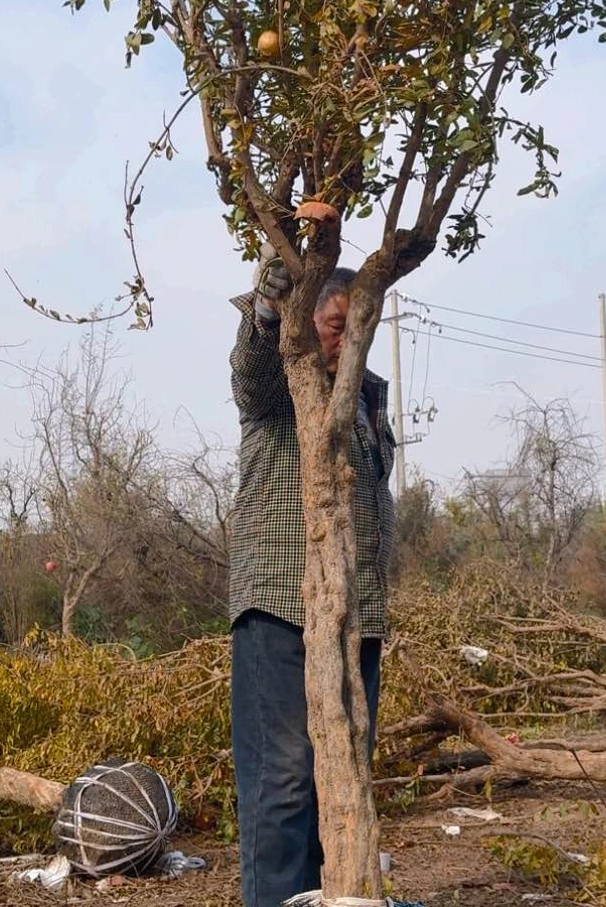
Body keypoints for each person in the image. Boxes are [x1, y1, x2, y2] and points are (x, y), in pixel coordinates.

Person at [228, 246, 396, 907]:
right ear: (307, 322)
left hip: (359, 615)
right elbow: (252, 375)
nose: (346, 340)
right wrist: (269, 310)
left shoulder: (364, 398)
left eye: (361, 328)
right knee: (285, 781)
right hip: (280, 605)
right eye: (334, 324)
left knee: (343, 779)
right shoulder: (285, 381)